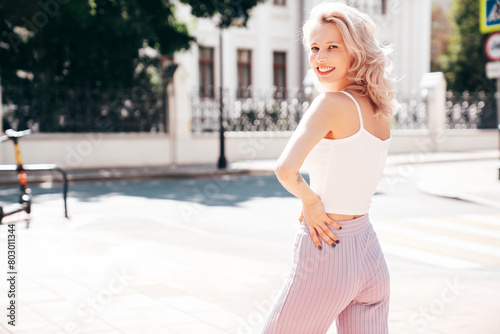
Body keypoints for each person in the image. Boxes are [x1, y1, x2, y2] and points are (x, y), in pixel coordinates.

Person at [260, 3, 396, 334]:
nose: (320, 57)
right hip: (369, 254)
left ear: (356, 51)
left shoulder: (331, 104)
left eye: (332, 47)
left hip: (328, 247)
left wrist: (310, 201)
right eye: (315, 48)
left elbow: (285, 170)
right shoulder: (380, 109)